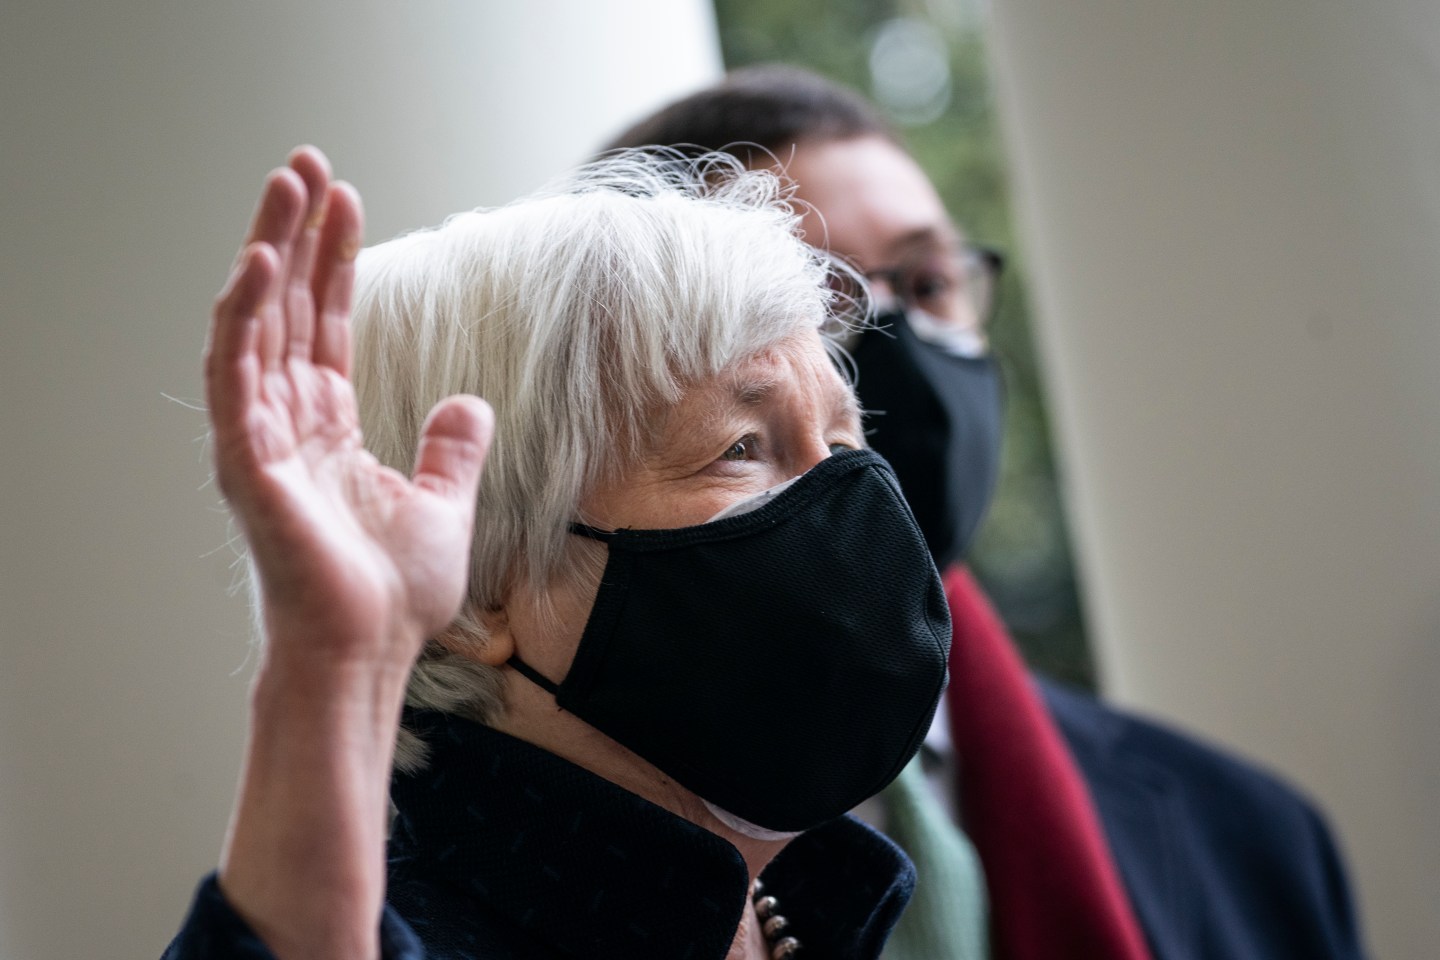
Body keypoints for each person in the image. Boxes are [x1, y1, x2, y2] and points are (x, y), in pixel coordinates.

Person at [603, 65, 1367, 960]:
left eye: (928, 284)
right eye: (822, 295)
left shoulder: (1254, 839)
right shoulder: (501, 859)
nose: (903, 348)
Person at [162, 146, 956, 959]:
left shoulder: (818, 904)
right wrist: (328, 669)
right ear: (482, 591)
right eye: (741, 447)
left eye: (842, 436)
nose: (847, 504)